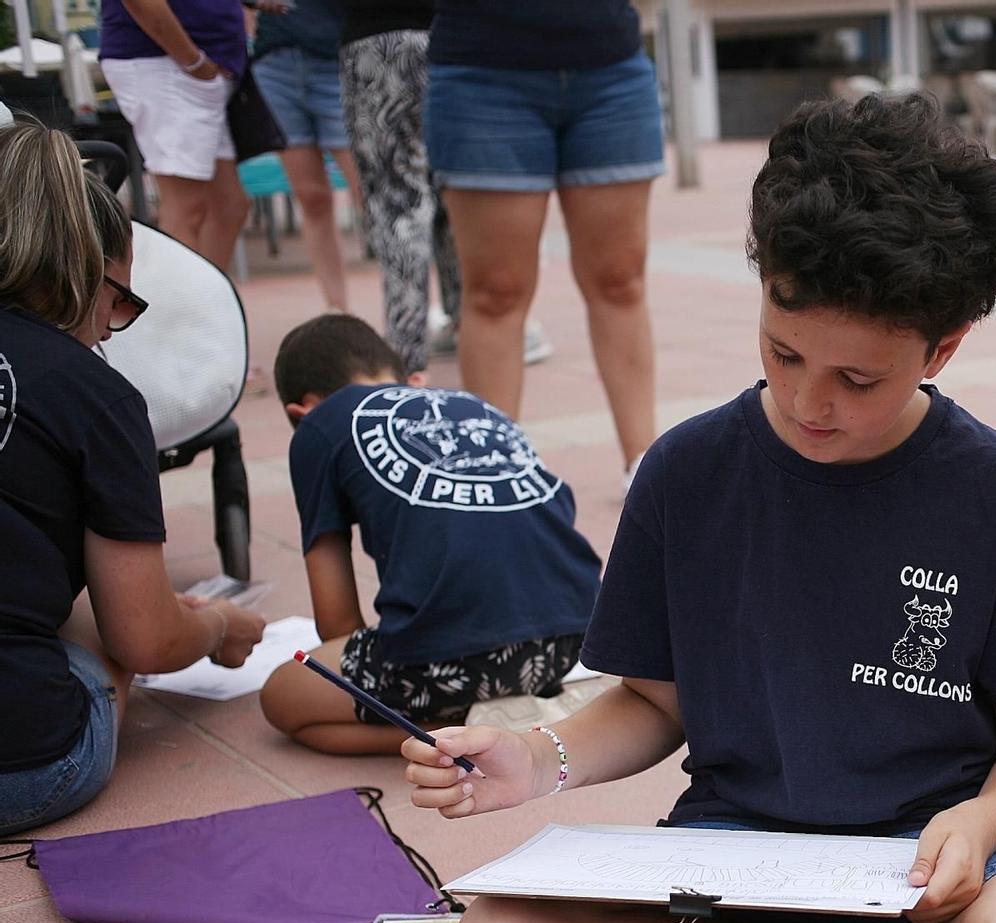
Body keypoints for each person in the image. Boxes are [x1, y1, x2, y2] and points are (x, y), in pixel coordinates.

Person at [310, 96, 996, 923]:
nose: (808, 402)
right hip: (738, 887)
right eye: (781, 350)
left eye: (857, 379)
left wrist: (979, 821)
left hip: (943, 876)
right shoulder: (687, 473)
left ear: (944, 345)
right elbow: (655, 706)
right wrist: (541, 755)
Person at [0, 119, 265, 836]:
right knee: (99, 648)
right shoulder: (94, 392)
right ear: (81, 268)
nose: (113, 326)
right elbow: (144, 638)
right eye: (121, 299)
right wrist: (212, 622)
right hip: (20, 759)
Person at [258, 314, 601, 755]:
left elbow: (336, 620)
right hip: (577, 636)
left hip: (454, 660)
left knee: (283, 698)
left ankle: (457, 722)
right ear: (407, 379)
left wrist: (371, 673)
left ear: (301, 410)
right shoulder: (472, 405)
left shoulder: (319, 425)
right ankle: (499, 704)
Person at [425, 0, 663, 476]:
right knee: (496, 290)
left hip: (610, 64)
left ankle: (644, 469)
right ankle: (490, 470)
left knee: (621, 279)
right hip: (481, 70)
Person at [337, 0, 460, 374]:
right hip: (450, 39)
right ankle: (468, 323)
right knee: (453, 192)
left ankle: (406, 354)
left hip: (378, 41)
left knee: (398, 200)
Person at [96, 0, 254, 271]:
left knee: (228, 205)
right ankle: (180, 308)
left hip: (195, 65)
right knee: (187, 208)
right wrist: (193, 61)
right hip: (164, 61)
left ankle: (207, 305)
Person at [249, 0, 358, 312]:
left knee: (369, 193)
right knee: (311, 197)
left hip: (336, 56)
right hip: (275, 59)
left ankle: (406, 309)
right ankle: (338, 310)